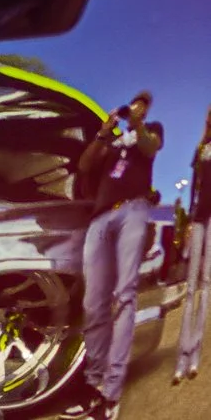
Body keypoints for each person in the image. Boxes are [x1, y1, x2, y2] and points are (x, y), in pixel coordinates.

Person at [79, 90, 163, 416]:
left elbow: (150, 147)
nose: (136, 108)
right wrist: (105, 130)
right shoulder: (112, 141)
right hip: (101, 215)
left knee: (125, 294)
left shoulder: (151, 127)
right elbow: (85, 165)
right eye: (134, 104)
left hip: (133, 210)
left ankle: (111, 393)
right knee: (93, 301)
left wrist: (139, 123)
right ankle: (93, 383)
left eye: (142, 104)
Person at [179, 106, 211, 385]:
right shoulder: (201, 149)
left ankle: (196, 354)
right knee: (191, 287)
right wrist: (189, 218)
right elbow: (194, 188)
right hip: (199, 216)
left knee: (206, 282)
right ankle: (182, 356)